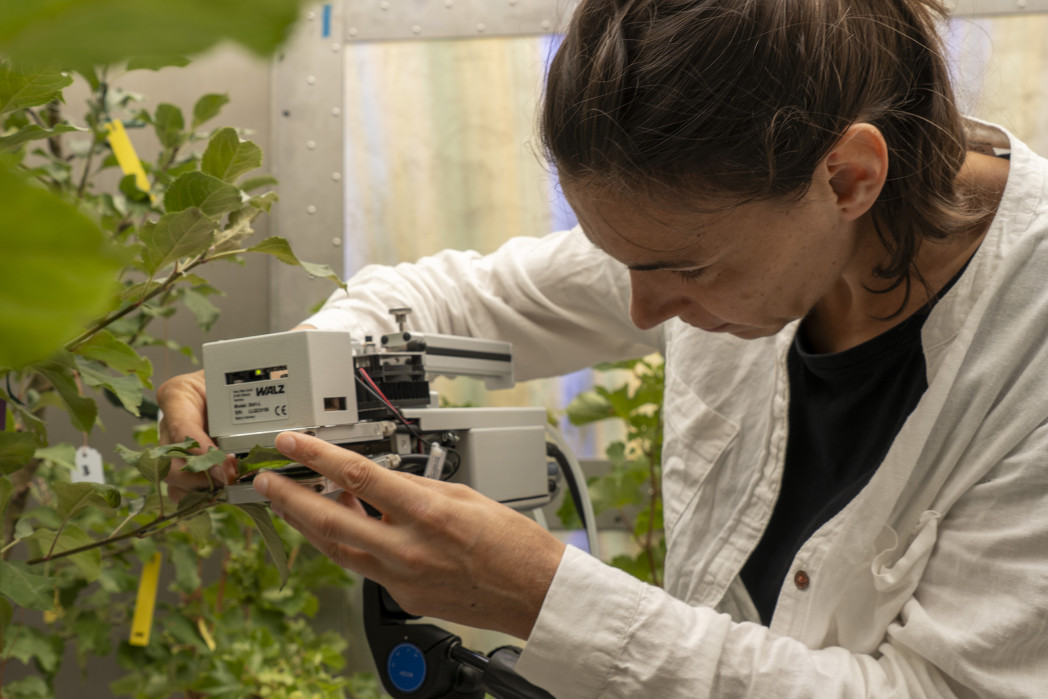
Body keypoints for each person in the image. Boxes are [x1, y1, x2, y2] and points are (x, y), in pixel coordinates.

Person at [158, 0, 1048, 695]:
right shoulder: (727, 219)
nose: (644, 307)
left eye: (684, 267)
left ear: (849, 177)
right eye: (620, 256)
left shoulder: (1027, 344)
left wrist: (548, 597)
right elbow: (454, 303)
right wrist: (281, 383)